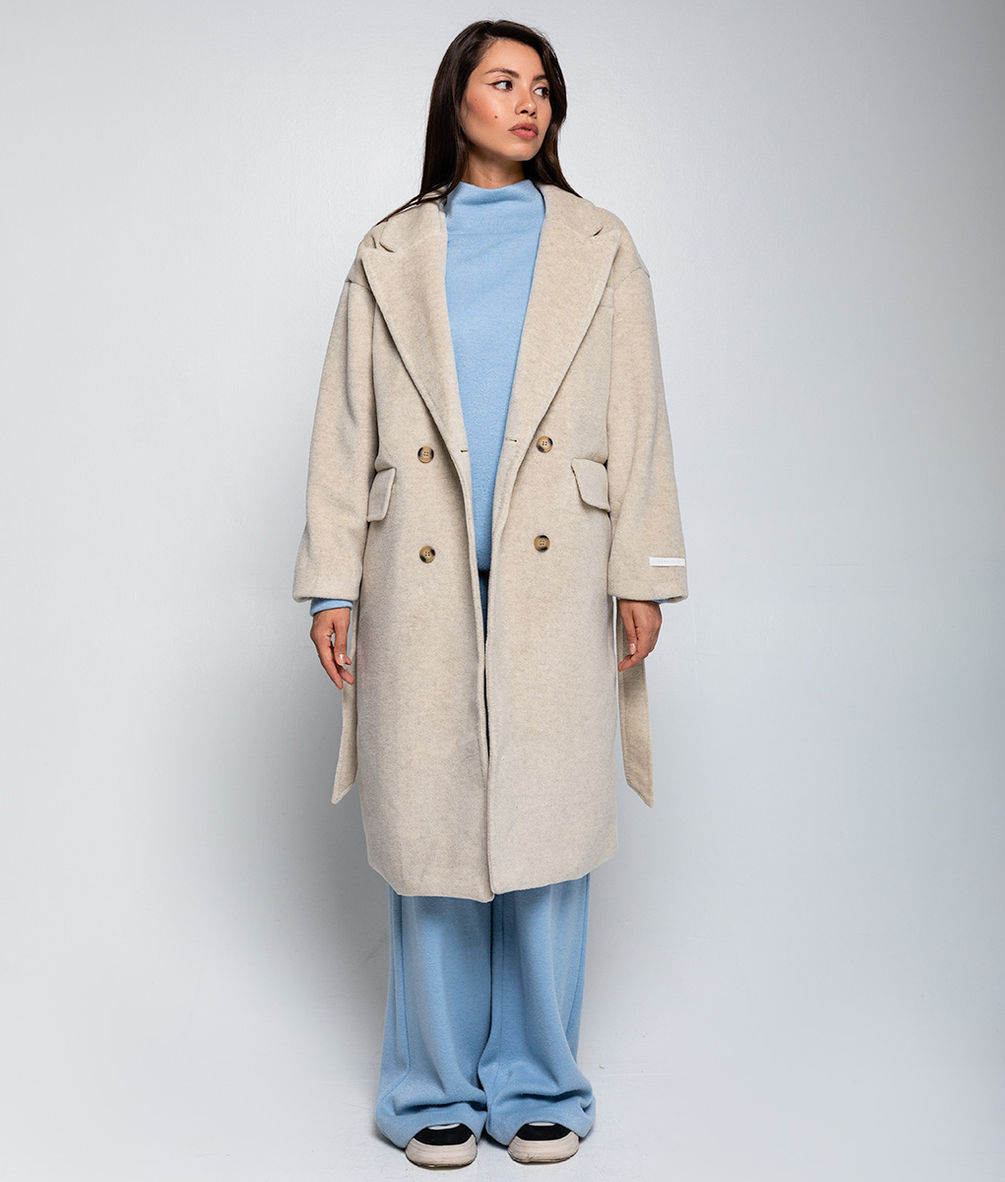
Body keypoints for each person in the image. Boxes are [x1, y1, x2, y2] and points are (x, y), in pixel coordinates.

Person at [292, 18, 689, 1168]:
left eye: (543, 87)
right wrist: (329, 586)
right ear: (455, 98)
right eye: (504, 81)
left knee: (549, 830)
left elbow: (638, 410)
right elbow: (344, 425)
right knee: (427, 833)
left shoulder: (599, 243)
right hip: (413, 575)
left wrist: (644, 570)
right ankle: (429, 1089)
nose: (528, 104)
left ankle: (538, 1081)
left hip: (561, 573)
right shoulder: (390, 249)